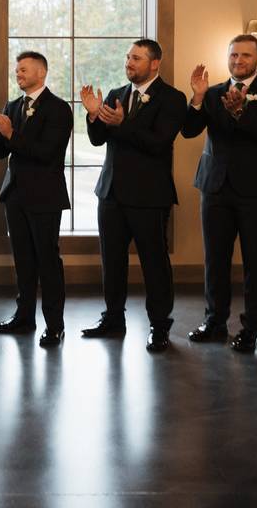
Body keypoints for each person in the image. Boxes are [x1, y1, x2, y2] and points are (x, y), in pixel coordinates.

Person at [181, 35, 257, 353]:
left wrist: (241, 112)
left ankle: (251, 327)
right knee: (215, 259)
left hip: (256, 188)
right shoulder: (212, 93)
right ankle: (214, 322)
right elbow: (188, 130)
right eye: (233, 55)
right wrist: (198, 98)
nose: (238, 60)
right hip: (214, 186)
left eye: (245, 55)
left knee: (256, 260)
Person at [79, 39, 187, 353]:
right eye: (128, 57)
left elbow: (158, 142)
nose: (129, 62)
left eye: (136, 58)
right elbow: (99, 140)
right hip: (111, 192)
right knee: (111, 261)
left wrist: (122, 124)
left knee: (154, 263)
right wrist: (92, 115)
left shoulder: (173, 98)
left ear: (155, 64)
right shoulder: (115, 95)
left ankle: (159, 326)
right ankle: (113, 319)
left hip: (149, 196)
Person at [0, 51, 72, 347]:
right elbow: (3, 150)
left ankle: (55, 325)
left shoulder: (59, 109)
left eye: (23, 70)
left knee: (47, 261)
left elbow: (47, 153)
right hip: (15, 195)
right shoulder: (12, 106)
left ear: (41, 72)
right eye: (17, 70)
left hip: (45, 196)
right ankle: (24, 317)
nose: (18, 74)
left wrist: (12, 134)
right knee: (23, 260)